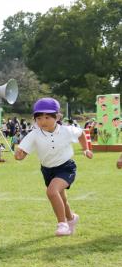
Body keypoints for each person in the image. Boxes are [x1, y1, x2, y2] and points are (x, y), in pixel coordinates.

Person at [14, 98, 93, 236]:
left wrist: (86, 149)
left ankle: (62, 224)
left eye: (47, 117)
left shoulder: (67, 130)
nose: (42, 121)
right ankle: (71, 219)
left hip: (66, 167)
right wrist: (19, 156)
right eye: (38, 118)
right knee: (61, 198)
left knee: (52, 192)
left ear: (57, 117)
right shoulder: (34, 135)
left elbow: (81, 134)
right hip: (47, 170)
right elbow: (22, 154)